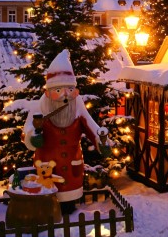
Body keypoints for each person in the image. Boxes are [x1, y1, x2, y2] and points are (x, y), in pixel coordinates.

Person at [24, 50, 108, 214]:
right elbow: (28, 130)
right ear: (48, 92)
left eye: (70, 90)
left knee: (70, 204)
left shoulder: (77, 105)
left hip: (72, 166)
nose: (65, 96)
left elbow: (91, 126)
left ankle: (70, 209)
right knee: (50, 195)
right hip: (47, 164)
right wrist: (33, 136)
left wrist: (101, 141)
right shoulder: (39, 107)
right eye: (59, 90)